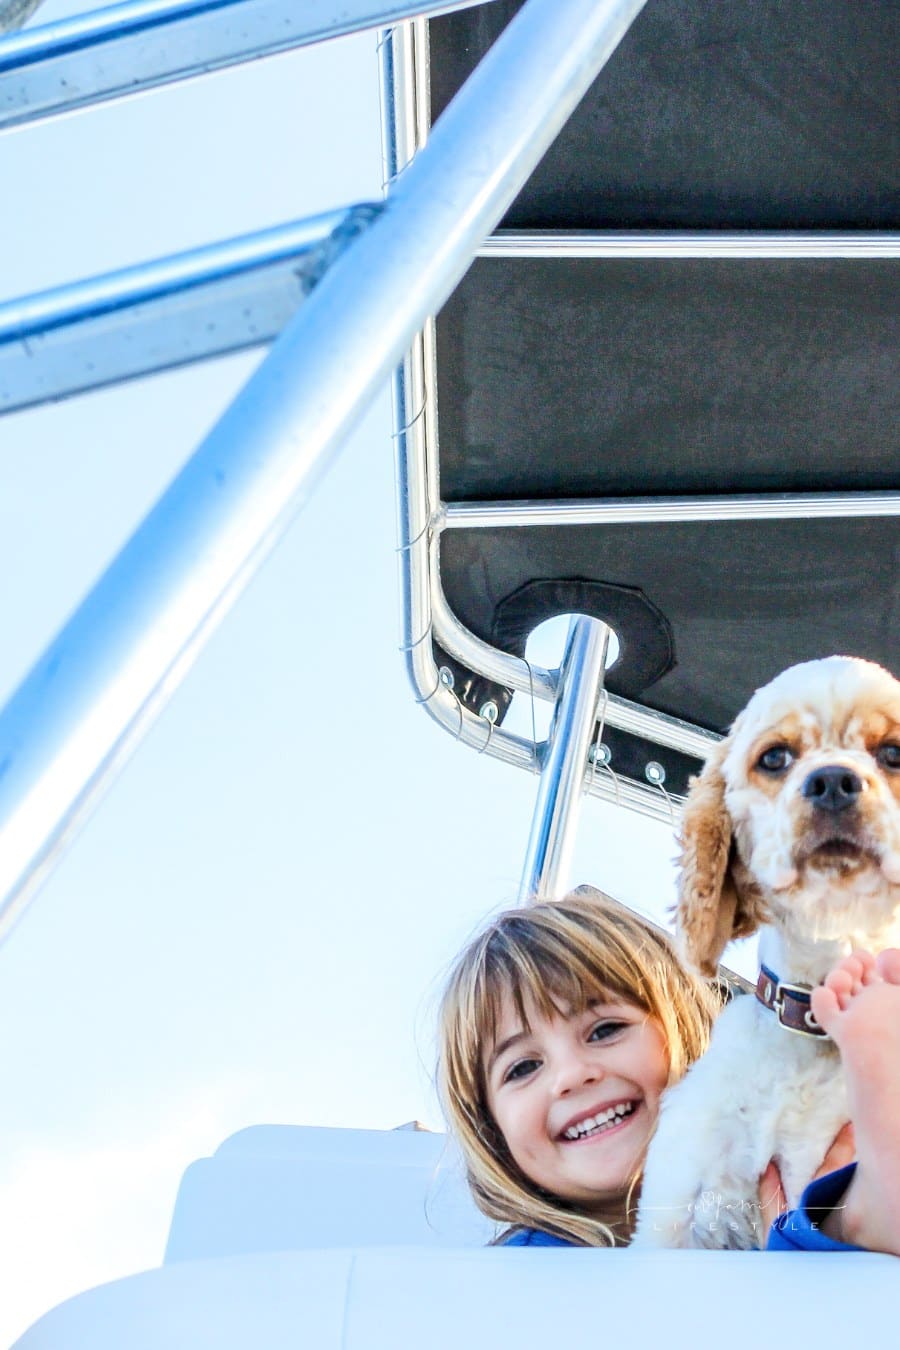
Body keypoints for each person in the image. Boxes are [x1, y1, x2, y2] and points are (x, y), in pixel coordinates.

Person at [437, 887, 882, 1251]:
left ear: (686, 1029)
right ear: (491, 1130)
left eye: (605, 1030)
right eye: (523, 1068)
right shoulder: (520, 1283)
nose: (572, 1075)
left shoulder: (786, 1185)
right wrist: (802, 1255)